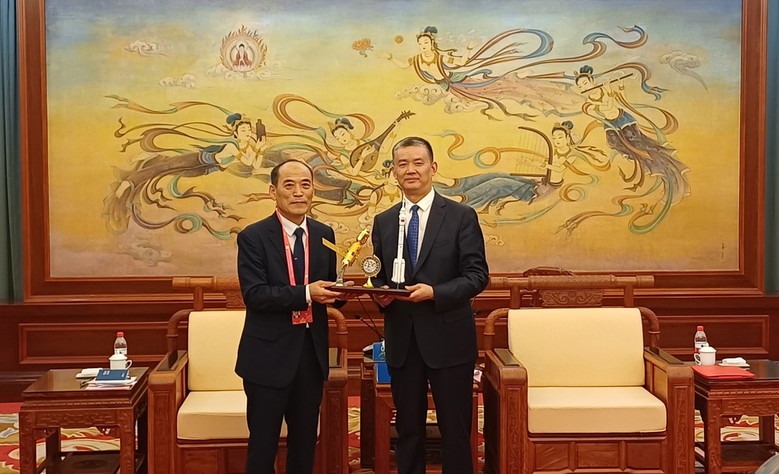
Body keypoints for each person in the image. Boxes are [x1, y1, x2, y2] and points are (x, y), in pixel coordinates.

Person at [370, 136, 490, 473]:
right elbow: (379, 276)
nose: (410, 170)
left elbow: (477, 276)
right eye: (402, 164)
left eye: (418, 162)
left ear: (432, 168)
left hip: (449, 339)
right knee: (408, 429)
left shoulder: (460, 216)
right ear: (394, 171)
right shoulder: (384, 221)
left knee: (456, 428)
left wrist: (435, 292)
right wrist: (380, 294)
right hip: (403, 341)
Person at [235, 159, 344, 473]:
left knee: (305, 443)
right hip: (268, 357)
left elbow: (327, 289)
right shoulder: (253, 237)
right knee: (263, 445)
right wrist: (307, 293)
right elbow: (255, 295)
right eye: (289, 185)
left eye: (305, 185)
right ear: (273, 191)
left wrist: (343, 294)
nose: (298, 192)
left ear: (313, 191)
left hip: (310, 355)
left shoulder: (324, 234)